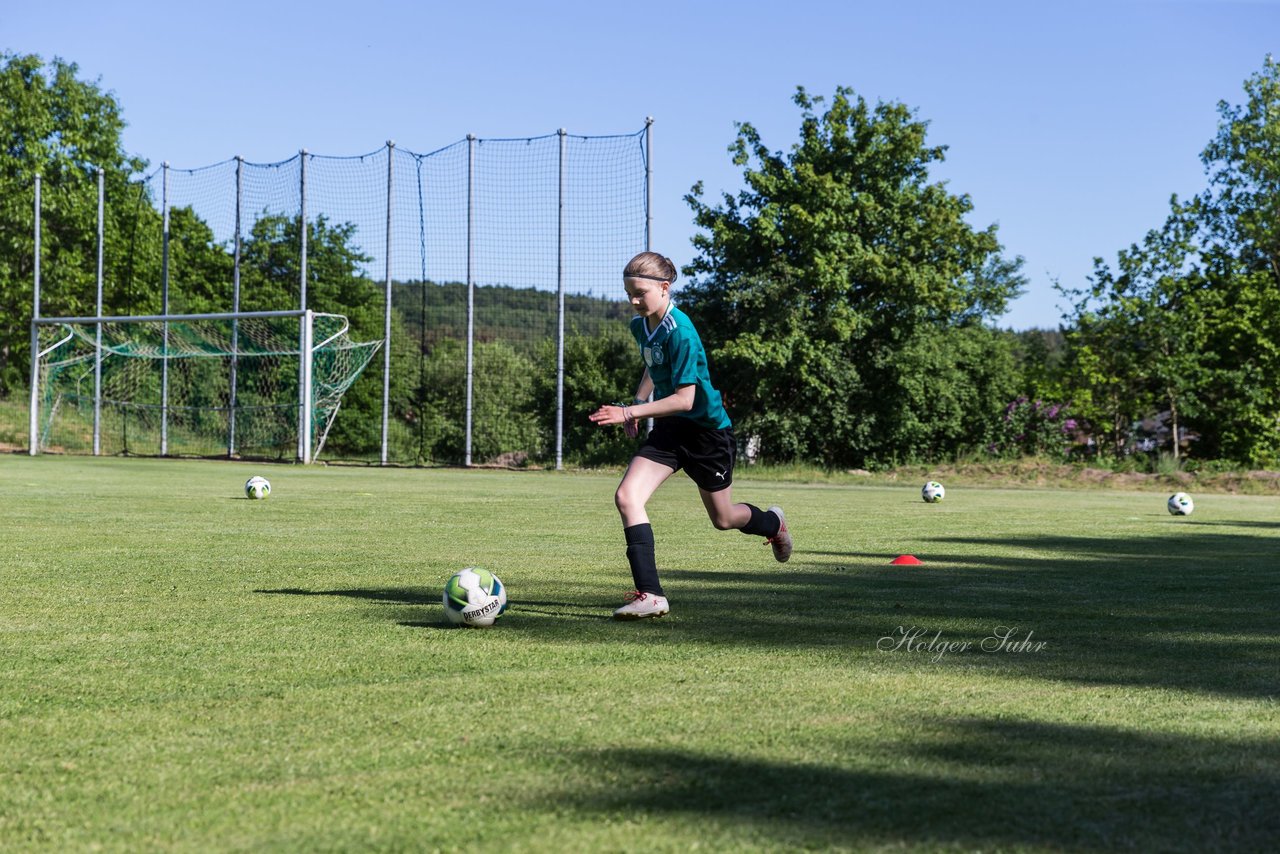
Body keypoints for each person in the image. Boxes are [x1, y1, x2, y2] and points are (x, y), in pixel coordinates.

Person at [589, 251, 792, 620]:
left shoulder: (682, 331)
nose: (633, 301)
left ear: (664, 288)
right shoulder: (641, 325)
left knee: (724, 519)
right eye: (628, 293)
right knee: (627, 496)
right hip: (671, 430)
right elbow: (654, 363)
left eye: (640, 293)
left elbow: (686, 399)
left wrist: (628, 412)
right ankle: (651, 595)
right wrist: (638, 398)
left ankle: (774, 523)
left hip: (707, 434)